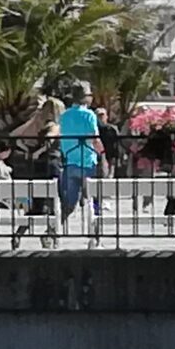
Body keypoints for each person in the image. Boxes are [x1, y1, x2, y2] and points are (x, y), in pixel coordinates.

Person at [49, 86, 102, 247]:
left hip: (70, 161)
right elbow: (95, 138)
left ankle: (52, 233)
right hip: (87, 161)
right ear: (85, 97)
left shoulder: (64, 116)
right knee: (94, 201)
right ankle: (95, 239)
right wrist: (103, 155)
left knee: (69, 203)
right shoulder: (89, 115)